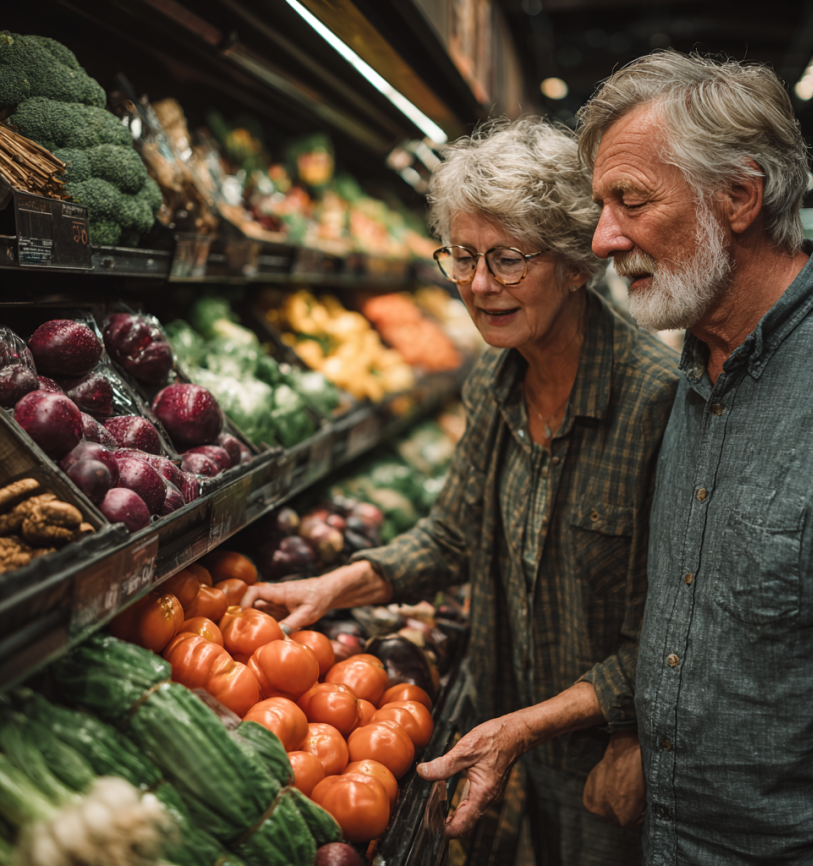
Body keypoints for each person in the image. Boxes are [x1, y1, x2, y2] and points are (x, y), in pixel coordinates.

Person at [242, 116, 678, 865]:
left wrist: (561, 728)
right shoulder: (494, 379)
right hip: (510, 732)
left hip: (612, 758)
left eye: (508, 259)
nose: (479, 286)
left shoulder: (656, 404)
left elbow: (671, 640)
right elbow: (451, 535)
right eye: (464, 257)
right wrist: (335, 586)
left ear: (576, 263)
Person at [579, 50, 813, 864]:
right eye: (602, 205)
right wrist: (641, 735)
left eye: (630, 200)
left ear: (740, 196)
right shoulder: (691, 362)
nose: (603, 237)